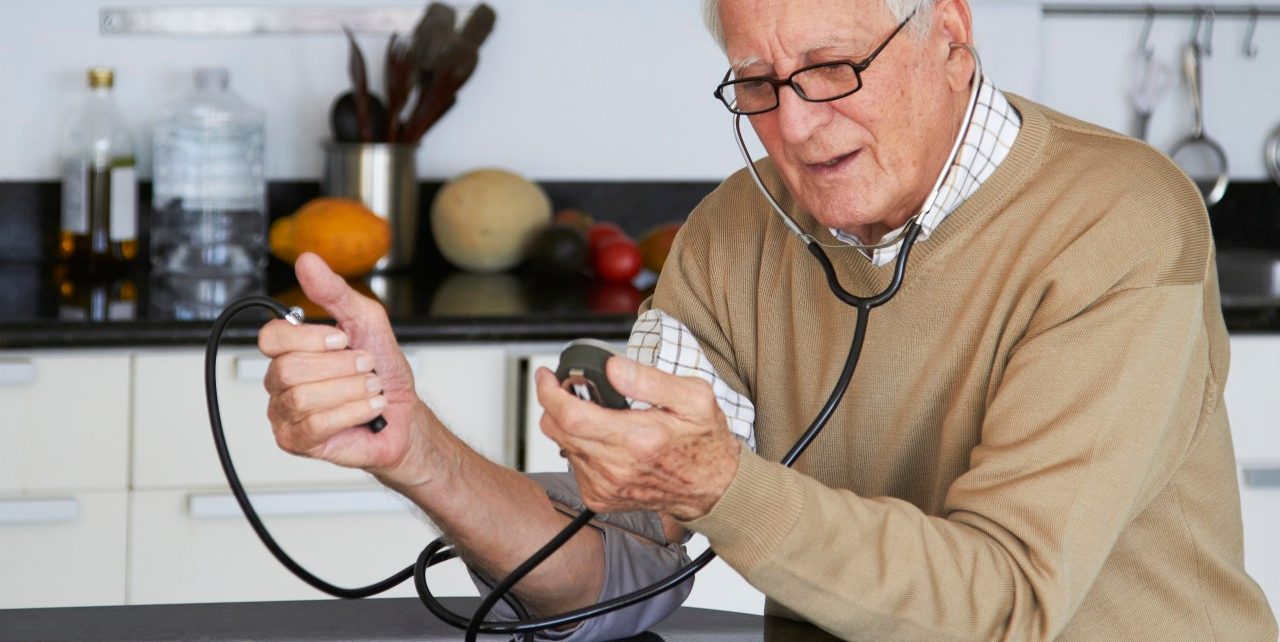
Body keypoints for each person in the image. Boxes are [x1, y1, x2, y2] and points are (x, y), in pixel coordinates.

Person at [257, 0, 1278, 639]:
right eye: (755, 83)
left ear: (949, 38)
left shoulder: (1115, 220)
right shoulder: (729, 236)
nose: (792, 122)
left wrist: (721, 487)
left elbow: (1001, 607)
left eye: (833, 68)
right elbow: (624, 571)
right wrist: (415, 448)